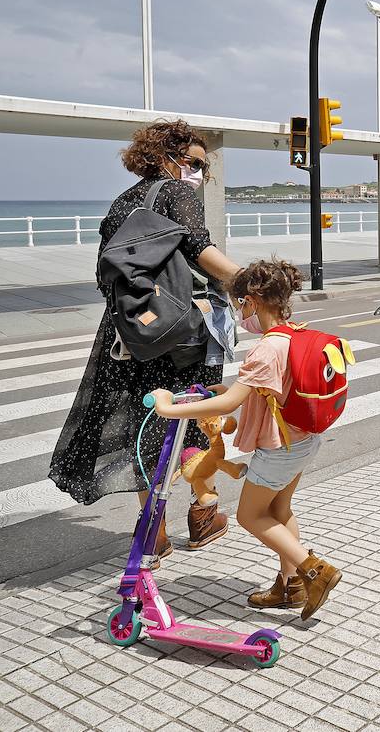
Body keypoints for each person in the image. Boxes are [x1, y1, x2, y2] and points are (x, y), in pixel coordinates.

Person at [49, 119, 242, 568]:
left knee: (144, 426)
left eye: (203, 168)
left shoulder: (121, 203)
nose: (198, 174)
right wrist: (247, 282)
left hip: (131, 333)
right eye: (194, 163)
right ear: (164, 157)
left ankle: (152, 533)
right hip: (179, 332)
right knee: (193, 416)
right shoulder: (174, 193)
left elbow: (107, 273)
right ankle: (204, 511)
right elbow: (199, 247)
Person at [152, 258, 342, 620]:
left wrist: (167, 408)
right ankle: (291, 586)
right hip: (303, 441)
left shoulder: (266, 348)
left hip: (278, 450)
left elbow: (229, 403)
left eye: (240, 303)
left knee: (251, 516)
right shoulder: (295, 333)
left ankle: (316, 571)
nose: (240, 312)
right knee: (280, 511)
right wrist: (235, 387)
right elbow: (272, 388)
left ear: (252, 300)